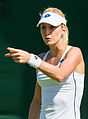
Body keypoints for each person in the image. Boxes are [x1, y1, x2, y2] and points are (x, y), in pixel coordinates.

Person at [5, 7, 85, 119]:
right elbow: (37, 100)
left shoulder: (74, 52)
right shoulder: (41, 59)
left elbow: (60, 75)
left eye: (52, 27)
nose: (47, 32)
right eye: (43, 27)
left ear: (63, 29)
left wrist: (31, 59)